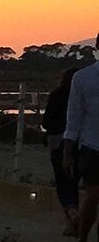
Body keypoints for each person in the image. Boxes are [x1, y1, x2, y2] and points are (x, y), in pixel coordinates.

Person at [59, 37, 99, 242]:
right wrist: (67, 151)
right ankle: (83, 240)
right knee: (93, 197)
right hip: (92, 147)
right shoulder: (83, 78)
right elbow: (73, 118)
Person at [44, 59, 79, 232]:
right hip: (80, 141)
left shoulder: (56, 95)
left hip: (58, 141)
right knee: (74, 181)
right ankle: (72, 222)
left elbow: (46, 121)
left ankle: (71, 213)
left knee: (61, 180)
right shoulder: (82, 96)